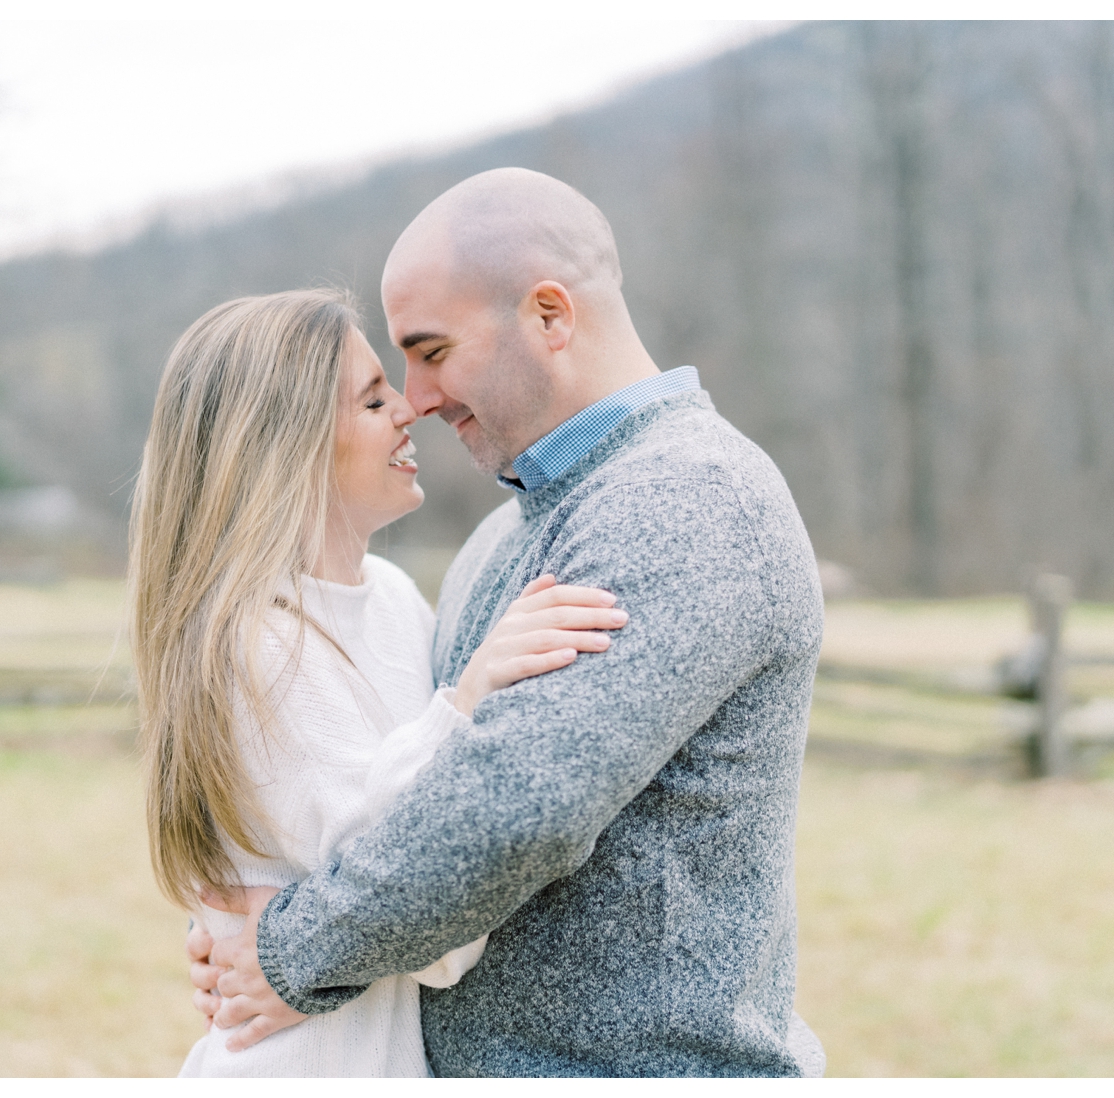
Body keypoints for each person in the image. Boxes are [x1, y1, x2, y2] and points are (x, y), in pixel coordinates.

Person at [189, 168, 828, 1077]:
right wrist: (244, 899)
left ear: (551, 316)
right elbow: (384, 772)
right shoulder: (505, 534)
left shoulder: (684, 501)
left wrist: (287, 948)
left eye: (433, 350)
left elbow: (514, 811)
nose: (414, 397)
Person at [129, 288, 629, 1077]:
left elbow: (411, 872)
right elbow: (416, 895)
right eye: (371, 399)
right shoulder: (255, 644)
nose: (409, 409)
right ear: (284, 444)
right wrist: (466, 702)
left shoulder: (391, 595)